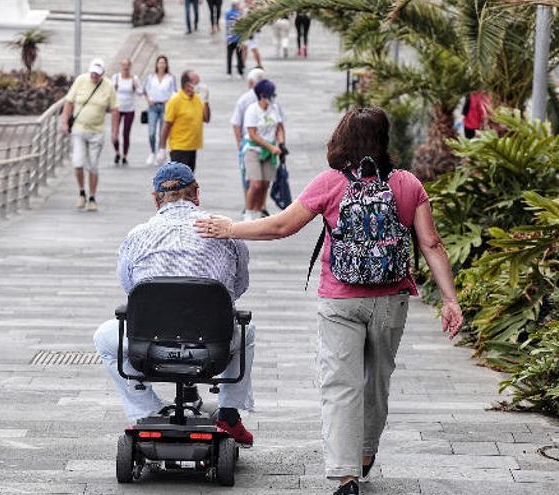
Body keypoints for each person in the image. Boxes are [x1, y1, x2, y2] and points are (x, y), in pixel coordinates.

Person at [195, 108, 464, 495]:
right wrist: (450, 300)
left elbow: (281, 226)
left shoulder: (332, 183)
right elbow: (431, 244)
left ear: (343, 139)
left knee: (341, 386)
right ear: (384, 139)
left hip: (340, 300)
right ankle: (366, 452)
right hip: (391, 299)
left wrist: (230, 229)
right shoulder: (407, 184)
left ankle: (346, 475)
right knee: (377, 384)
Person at [93, 161, 255, 446]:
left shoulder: (136, 236)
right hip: (211, 349)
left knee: (105, 337)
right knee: (246, 330)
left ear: (156, 199)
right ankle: (228, 413)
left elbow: (132, 290)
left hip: (149, 348)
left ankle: (147, 410)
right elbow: (238, 288)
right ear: (196, 194)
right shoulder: (226, 232)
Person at [61, 58, 119, 212]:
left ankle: (92, 197)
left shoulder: (108, 86)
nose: (94, 76)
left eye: (97, 74)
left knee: (92, 165)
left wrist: (114, 132)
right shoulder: (81, 80)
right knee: (78, 162)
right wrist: (64, 123)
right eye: (93, 73)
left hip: (97, 131)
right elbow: (69, 101)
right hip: (79, 129)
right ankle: (82, 192)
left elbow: (115, 109)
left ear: (103, 74)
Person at [242, 80, 284, 221]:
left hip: (270, 151)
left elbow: (278, 128)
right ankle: (248, 212)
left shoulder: (274, 109)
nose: (272, 98)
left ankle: (259, 211)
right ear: (262, 95)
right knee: (256, 183)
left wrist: (281, 143)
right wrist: (271, 147)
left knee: (266, 183)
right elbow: (253, 134)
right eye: (270, 95)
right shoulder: (252, 110)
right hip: (254, 149)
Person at [159, 70, 211, 172]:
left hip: (193, 147)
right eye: (196, 83)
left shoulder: (197, 98)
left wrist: (206, 101)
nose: (199, 86)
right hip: (179, 148)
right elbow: (167, 125)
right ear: (187, 84)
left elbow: (206, 118)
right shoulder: (175, 101)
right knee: (181, 182)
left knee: (189, 181)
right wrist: (162, 148)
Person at [143, 55, 178, 166]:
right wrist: (148, 99)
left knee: (163, 132)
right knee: (152, 132)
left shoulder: (170, 78)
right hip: (153, 106)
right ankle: (152, 151)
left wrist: (169, 101)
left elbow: (174, 92)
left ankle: (161, 152)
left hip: (165, 106)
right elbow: (145, 90)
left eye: (163, 63)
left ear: (166, 65)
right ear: (156, 65)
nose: (161, 65)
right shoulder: (151, 77)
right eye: (160, 63)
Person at [110, 59, 142, 167]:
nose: (125, 67)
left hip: (129, 108)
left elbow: (140, 92)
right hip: (117, 108)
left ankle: (124, 155)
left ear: (130, 66)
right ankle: (117, 152)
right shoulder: (116, 78)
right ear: (121, 66)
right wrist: (114, 88)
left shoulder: (134, 78)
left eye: (127, 65)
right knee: (115, 132)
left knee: (126, 133)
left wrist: (135, 87)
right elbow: (110, 91)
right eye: (123, 65)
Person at [225, 2, 245, 79]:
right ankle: (240, 72)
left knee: (229, 57)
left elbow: (227, 28)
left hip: (230, 39)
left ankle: (229, 72)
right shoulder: (240, 14)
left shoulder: (228, 14)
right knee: (239, 57)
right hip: (238, 39)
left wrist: (227, 38)